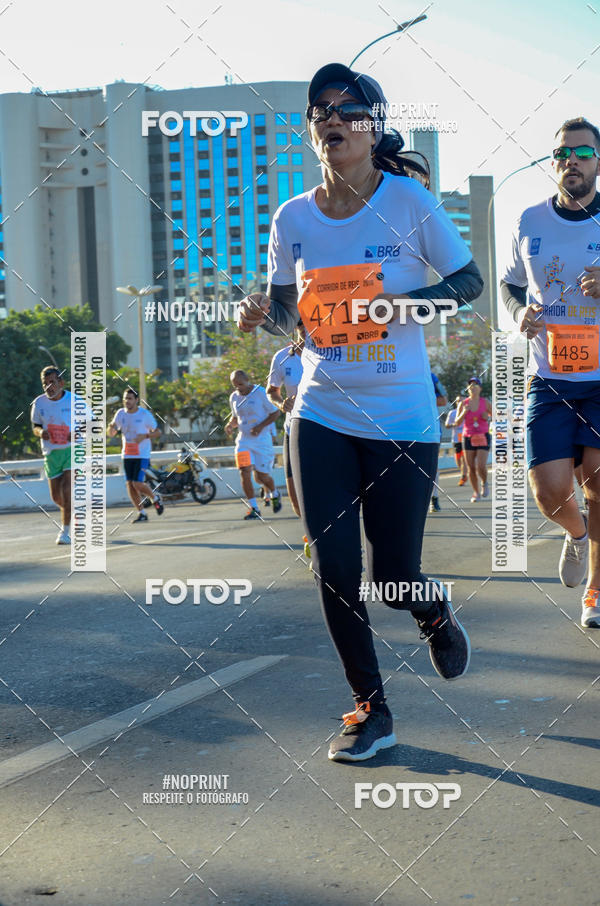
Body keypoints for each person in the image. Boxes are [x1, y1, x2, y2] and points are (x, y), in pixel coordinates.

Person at [237, 62, 483, 761]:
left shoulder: (408, 202)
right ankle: (372, 710)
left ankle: (430, 609)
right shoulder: (292, 218)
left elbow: (467, 280)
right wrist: (261, 312)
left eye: (350, 110)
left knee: (392, 578)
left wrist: (409, 304)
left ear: (374, 129)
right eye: (321, 111)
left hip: (401, 416)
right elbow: (288, 314)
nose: (334, 120)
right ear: (312, 130)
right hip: (320, 411)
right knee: (336, 569)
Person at [501, 116, 600, 629]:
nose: (571, 161)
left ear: (597, 162)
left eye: (582, 153)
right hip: (549, 375)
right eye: (562, 153)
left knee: (599, 486)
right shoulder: (529, 220)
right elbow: (509, 283)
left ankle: (595, 593)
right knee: (548, 491)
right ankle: (577, 533)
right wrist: (519, 311)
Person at [225, 370, 282, 519]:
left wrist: (260, 427)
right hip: (243, 441)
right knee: (244, 471)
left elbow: (275, 413)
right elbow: (235, 418)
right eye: (235, 385)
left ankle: (275, 493)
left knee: (262, 477)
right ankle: (254, 508)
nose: (238, 388)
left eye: (240, 384)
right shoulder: (234, 397)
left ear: (247, 380)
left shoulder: (260, 393)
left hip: (261, 441)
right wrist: (230, 425)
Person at [107, 388, 163, 523]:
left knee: (137, 483)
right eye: (125, 398)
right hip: (127, 454)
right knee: (130, 485)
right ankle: (142, 513)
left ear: (136, 400)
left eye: (130, 398)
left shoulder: (144, 414)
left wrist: (145, 436)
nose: (127, 401)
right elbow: (111, 433)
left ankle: (155, 498)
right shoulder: (120, 413)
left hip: (142, 454)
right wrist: (110, 427)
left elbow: (158, 432)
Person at [31, 366, 73, 544]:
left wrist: (77, 433)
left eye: (52, 382)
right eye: (45, 383)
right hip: (51, 453)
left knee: (67, 490)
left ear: (61, 383)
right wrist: (41, 433)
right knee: (56, 497)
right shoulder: (39, 403)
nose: (49, 387)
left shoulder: (74, 401)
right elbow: (35, 426)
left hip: (72, 450)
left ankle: (65, 532)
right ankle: (74, 513)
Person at [267, 324, 305, 516]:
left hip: (325, 428)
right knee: (296, 502)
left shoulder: (329, 353)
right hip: (293, 429)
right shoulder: (282, 357)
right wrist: (282, 404)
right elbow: (272, 391)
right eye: (300, 323)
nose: (305, 327)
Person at [455, 378, 492, 502]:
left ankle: (484, 482)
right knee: (471, 467)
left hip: (483, 435)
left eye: (475, 385)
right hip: (468, 437)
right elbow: (457, 422)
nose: (472, 387)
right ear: (468, 389)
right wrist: (464, 412)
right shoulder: (463, 404)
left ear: (480, 388)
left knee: (481, 465)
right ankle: (476, 492)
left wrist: (488, 417)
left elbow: (497, 416)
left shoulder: (485, 402)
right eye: (470, 385)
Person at [429, 371, 448, 513]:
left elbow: (443, 400)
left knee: (432, 465)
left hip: (431, 430)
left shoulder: (431, 376)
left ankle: (434, 497)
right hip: (405, 429)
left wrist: (421, 399)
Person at [446, 397, 468, 485]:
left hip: (466, 437)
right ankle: (463, 472)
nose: (460, 403)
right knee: (458, 459)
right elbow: (447, 425)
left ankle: (463, 476)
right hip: (456, 439)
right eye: (458, 401)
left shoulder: (467, 411)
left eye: (461, 401)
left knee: (464, 458)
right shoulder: (452, 413)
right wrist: (453, 424)